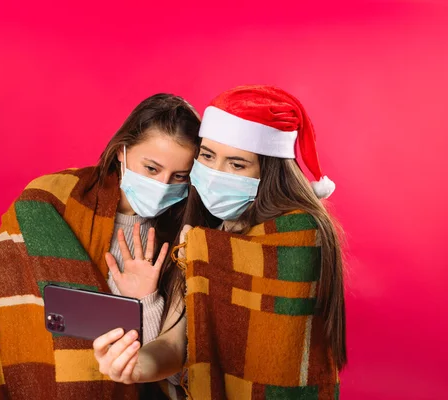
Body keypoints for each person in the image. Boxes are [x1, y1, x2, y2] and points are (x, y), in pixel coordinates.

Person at [93, 86, 346, 399]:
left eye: (237, 164)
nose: (214, 173)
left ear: (267, 171)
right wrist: (136, 365)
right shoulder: (206, 233)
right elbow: (178, 342)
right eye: (208, 156)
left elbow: (281, 358)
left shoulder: (298, 233)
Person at [0, 93, 200, 399]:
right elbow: (3, 309)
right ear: (121, 151)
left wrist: (145, 300)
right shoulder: (51, 201)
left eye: (179, 177)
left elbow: (148, 366)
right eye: (152, 169)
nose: (163, 186)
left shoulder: (181, 236)